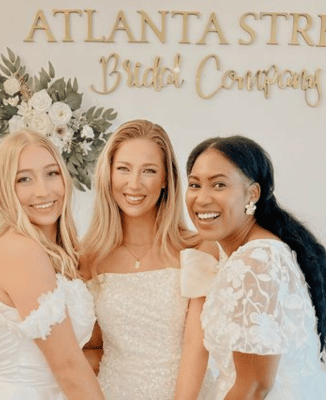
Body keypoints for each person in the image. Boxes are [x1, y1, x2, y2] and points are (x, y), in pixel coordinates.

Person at [184, 135, 326, 400]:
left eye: (219, 185)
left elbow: (255, 386)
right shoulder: (258, 251)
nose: (202, 198)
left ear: (252, 193)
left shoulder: (255, 261)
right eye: (194, 184)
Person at [81, 119, 215, 400]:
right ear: (109, 175)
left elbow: (197, 347)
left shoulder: (199, 248)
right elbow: (93, 349)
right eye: (123, 169)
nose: (134, 183)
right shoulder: (88, 258)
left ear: (166, 179)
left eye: (149, 171)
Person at [0, 130, 105, 400]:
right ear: (5, 189)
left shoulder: (61, 253)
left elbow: (83, 354)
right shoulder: (21, 251)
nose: (43, 191)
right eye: (24, 179)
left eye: (51, 174)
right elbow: (68, 368)